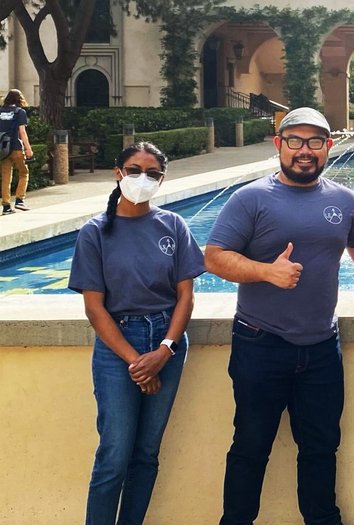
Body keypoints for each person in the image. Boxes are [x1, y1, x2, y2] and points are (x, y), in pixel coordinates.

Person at [205, 107, 354, 525]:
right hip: (260, 343)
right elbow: (214, 257)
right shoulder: (250, 198)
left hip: (322, 346)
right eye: (296, 142)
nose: (305, 151)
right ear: (279, 146)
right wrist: (266, 271)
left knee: (321, 448)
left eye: (315, 142)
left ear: (329, 148)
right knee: (251, 446)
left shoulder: (344, 200)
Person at [69, 142, 204, 525]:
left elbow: (185, 296)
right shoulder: (94, 233)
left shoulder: (173, 226)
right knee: (115, 453)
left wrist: (163, 350)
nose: (141, 179)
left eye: (151, 173)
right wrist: (137, 363)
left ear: (162, 179)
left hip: (167, 341)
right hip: (118, 348)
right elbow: (94, 308)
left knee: (146, 452)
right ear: (118, 173)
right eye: (133, 170)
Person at [1, 89, 34, 215]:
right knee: (23, 172)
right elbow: (22, 132)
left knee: (5, 177)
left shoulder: (0, 111)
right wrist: (28, 148)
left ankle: (6, 206)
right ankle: (19, 200)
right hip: (16, 147)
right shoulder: (20, 112)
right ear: (19, 99)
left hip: (3, 150)